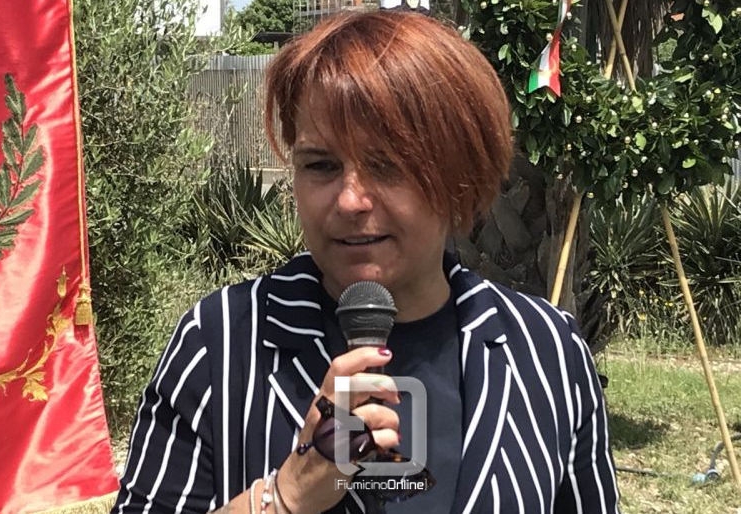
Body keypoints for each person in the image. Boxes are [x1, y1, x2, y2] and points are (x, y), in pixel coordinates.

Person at [111, 9, 620, 514]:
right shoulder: (221, 341)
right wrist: (286, 496)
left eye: (388, 165)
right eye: (321, 165)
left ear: (461, 174)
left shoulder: (547, 352)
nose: (351, 200)